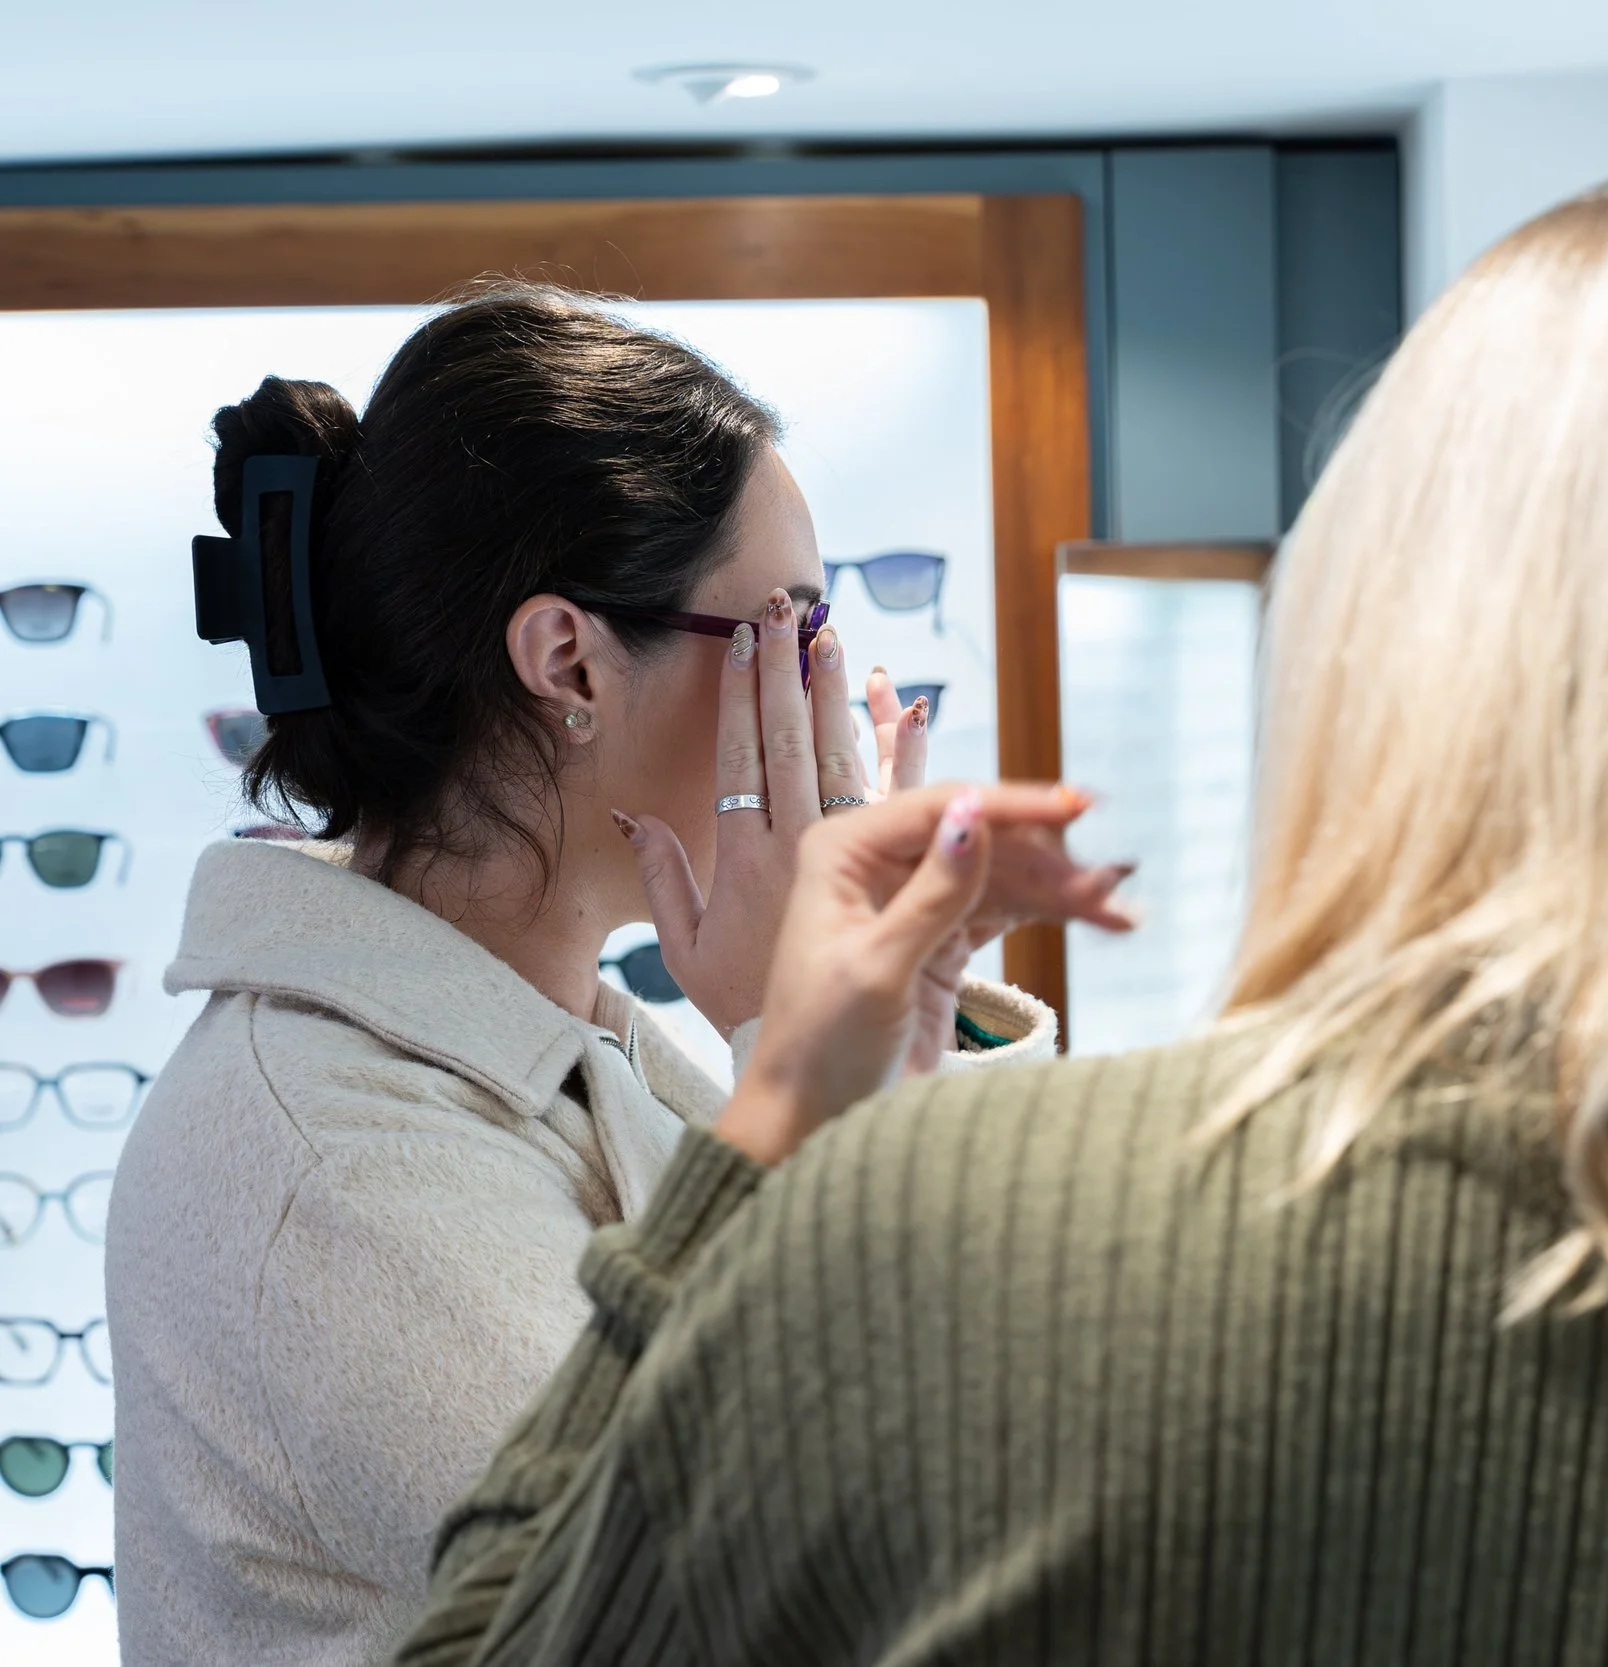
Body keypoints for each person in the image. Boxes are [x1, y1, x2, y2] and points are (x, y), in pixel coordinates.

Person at [398, 146, 1608, 1666]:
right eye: (788, 630)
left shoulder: (952, 1234)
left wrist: (781, 1125)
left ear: (1383, 614)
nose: (817, 686)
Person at [105, 286, 1131, 1666]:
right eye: (788, 631)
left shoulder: (573, 1047)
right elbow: (774, 1589)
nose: (827, 696)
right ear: (569, 659)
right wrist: (806, 1046)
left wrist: (907, 1023)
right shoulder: (324, 1160)